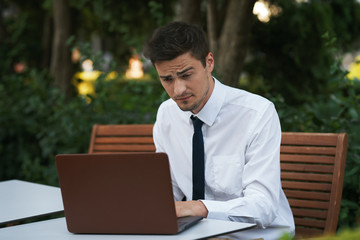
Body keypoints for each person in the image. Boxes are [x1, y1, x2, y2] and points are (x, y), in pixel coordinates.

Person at [143, 21, 295, 235]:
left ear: (209, 62)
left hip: (254, 235)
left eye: (186, 75)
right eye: (167, 79)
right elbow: (168, 191)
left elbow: (263, 206)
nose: (178, 90)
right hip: (196, 234)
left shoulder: (257, 113)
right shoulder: (167, 114)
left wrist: (199, 207)